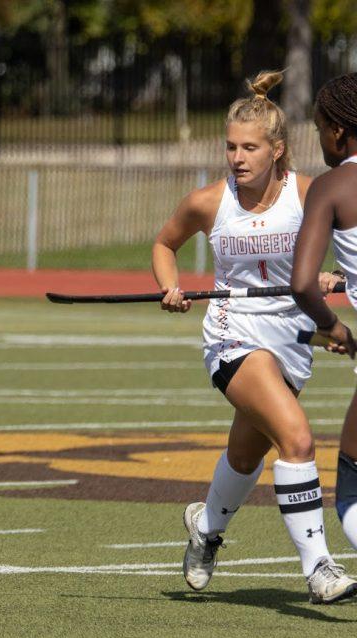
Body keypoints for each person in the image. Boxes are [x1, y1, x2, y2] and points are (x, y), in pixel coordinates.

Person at [153, 71, 357, 603]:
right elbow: (164, 244)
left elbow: (339, 251)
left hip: (291, 342)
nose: (237, 158)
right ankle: (319, 570)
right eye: (230, 147)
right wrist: (170, 287)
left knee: (246, 455)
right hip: (233, 339)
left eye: (250, 148)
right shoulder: (208, 202)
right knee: (297, 438)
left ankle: (206, 527)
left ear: (277, 150)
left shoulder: (309, 193)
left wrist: (332, 278)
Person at [289, 72, 357, 568]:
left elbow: (300, 285)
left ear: (337, 130)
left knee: (352, 489)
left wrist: (331, 327)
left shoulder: (332, 186)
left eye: (318, 128)